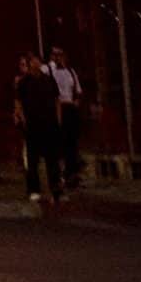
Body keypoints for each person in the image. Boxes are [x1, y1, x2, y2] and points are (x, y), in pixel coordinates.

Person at [14, 50, 64, 203]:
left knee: (52, 159)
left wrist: (58, 119)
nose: (35, 63)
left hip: (49, 123)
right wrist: (22, 118)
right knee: (32, 159)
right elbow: (18, 102)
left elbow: (57, 100)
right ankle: (33, 189)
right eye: (32, 60)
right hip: (32, 124)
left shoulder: (49, 80)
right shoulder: (23, 82)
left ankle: (56, 189)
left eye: (37, 60)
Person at [50, 45, 84, 188]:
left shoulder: (71, 71)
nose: (58, 57)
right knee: (59, 142)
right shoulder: (51, 71)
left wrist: (76, 101)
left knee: (72, 141)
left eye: (61, 54)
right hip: (58, 108)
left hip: (70, 107)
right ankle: (60, 174)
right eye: (55, 54)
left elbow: (78, 90)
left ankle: (72, 173)